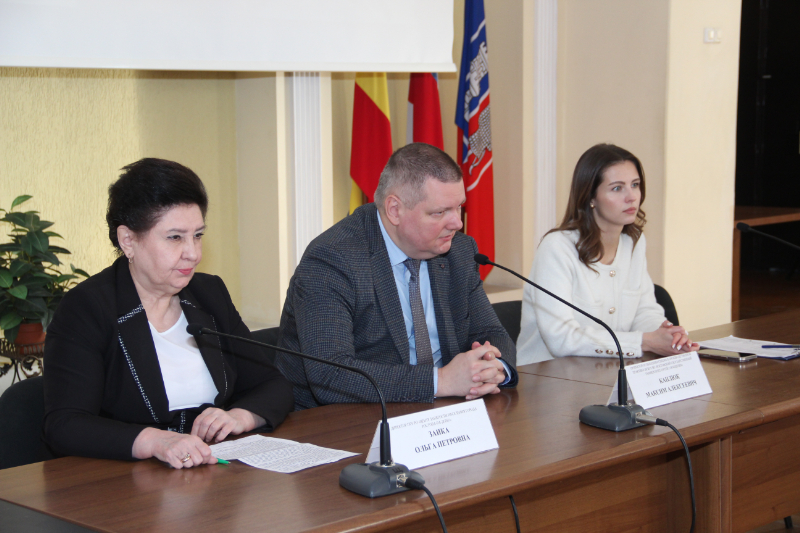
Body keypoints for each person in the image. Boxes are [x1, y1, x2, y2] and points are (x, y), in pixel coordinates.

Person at [44, 158, 294, 469]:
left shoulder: (209, 293)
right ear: (128, 240)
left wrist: (239, 417)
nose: (193, 253)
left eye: (198, 235)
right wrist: (155, 441)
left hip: (213, 471)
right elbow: (65, 424)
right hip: (125, 480)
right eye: (175, 237)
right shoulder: (87, 307)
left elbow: (272, 385)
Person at [278, 143, 518, 410]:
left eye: (459, 207)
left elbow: (491, 332)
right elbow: (330, 375)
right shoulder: (332, 259)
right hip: (342, 420)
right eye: (439, 212)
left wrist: (494, 366)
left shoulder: (459, 251)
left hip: (441, 413)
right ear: (394, 209)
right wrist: (440, 381)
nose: (457, 223)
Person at [516, 143, 699, 364]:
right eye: (617, 188)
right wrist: (645, 341)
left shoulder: (633, 242)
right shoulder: (557, 248)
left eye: (635, 185)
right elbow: (561, 338)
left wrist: (666, 335)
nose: (631, 197)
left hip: (606, 370)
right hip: (547, 376)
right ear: (590, 197)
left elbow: (644, 311)